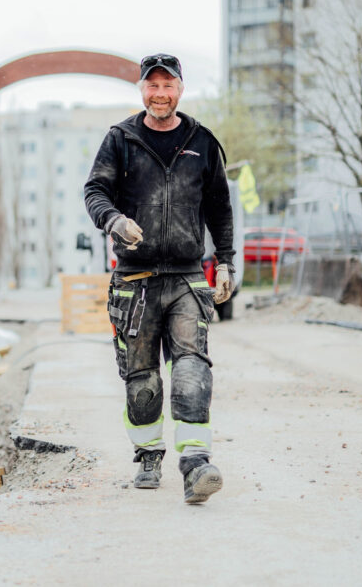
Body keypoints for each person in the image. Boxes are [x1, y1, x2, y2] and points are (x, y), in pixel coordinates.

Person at [84, 53, 235, 504]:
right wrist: (112, 220)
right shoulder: (121, 140)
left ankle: (196, 464)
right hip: (136, 278)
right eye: (153, 85)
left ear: (181, 89)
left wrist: (225, 261)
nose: (161, 93)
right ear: (141, 90)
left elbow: (220, 209)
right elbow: (94, 191)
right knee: (142, 377)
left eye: (168, 85)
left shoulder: (202, 142)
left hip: (188, 277)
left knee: (191, 369)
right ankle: (149, 453)